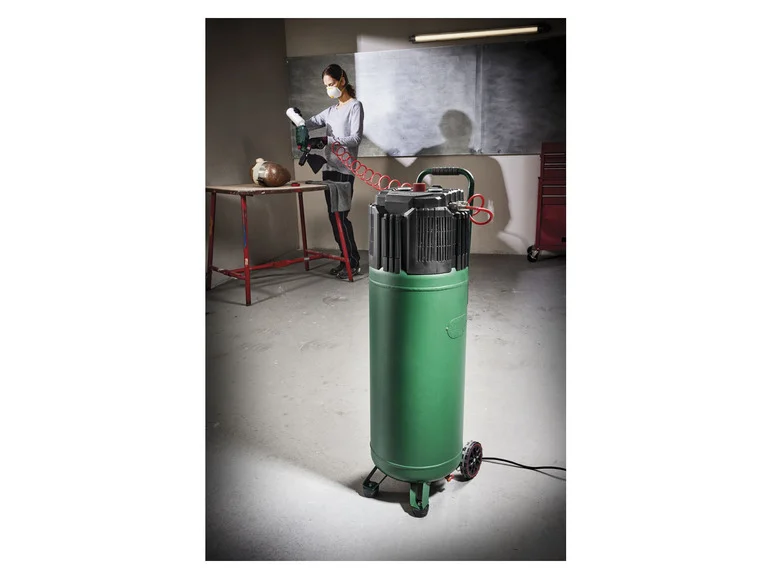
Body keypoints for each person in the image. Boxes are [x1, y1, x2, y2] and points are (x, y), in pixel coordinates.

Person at [303, 64, 364, 279]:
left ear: (342, 80)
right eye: (326, 86)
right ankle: (344, 259)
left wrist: (327, 139)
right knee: (333, 218)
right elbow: (308, 124)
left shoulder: (355, 106)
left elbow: (355, 138)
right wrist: (296, 119)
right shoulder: (329, 112)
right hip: (328, 169)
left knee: (341, 217)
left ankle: (353, 262)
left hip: (344, 170)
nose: (329, 89)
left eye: (332, 84)